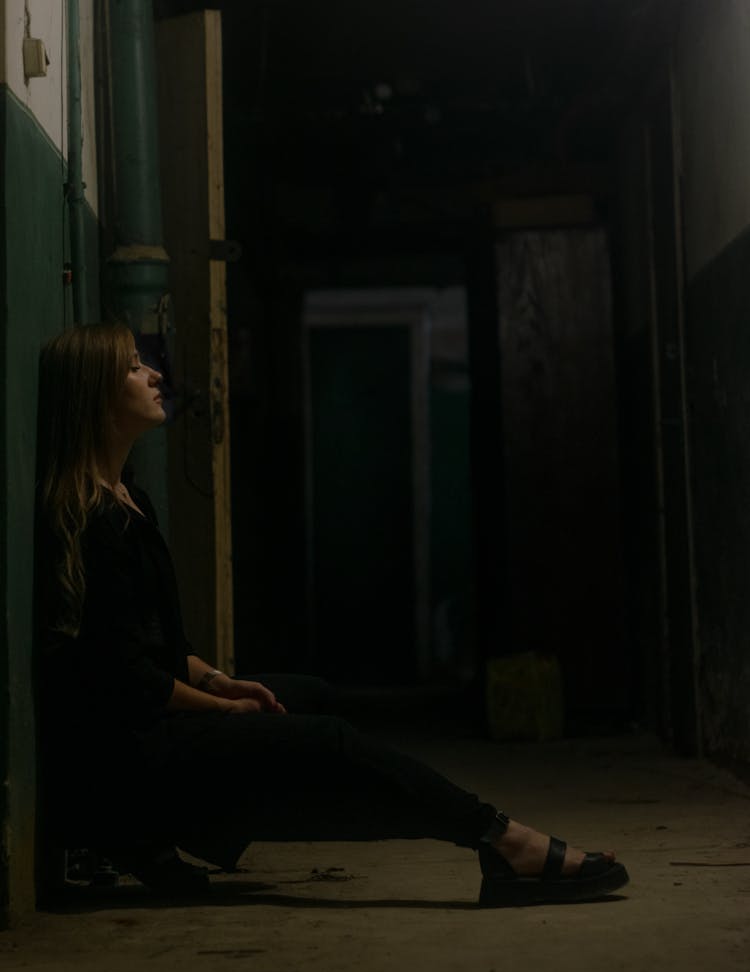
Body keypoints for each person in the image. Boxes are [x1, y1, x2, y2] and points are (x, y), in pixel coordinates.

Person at [34, 322, 629, 907]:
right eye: (135, 367)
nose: (155, 373)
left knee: (306, 694)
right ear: (97, 395)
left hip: (150, 719)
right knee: (326, 741)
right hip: (123, 754)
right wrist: (226, 710)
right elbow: (125, 676)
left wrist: (223, 682)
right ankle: (500, 838)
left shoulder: (130, 498)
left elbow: (161, 646)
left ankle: (158, 839)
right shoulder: (89, 520)